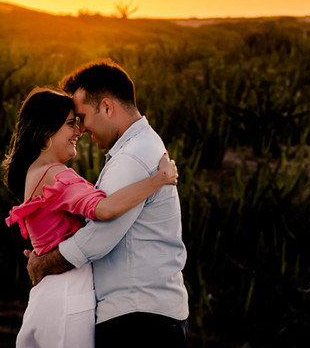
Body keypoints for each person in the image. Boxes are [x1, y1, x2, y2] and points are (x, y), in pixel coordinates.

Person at [25, 59, 189, 347]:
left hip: (140, 321)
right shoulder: (139, 148)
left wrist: (42, 264)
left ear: (107, 107)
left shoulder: (133, 157)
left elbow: (98, 237)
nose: (82, 129)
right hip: (146, 316)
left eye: (83, 117)